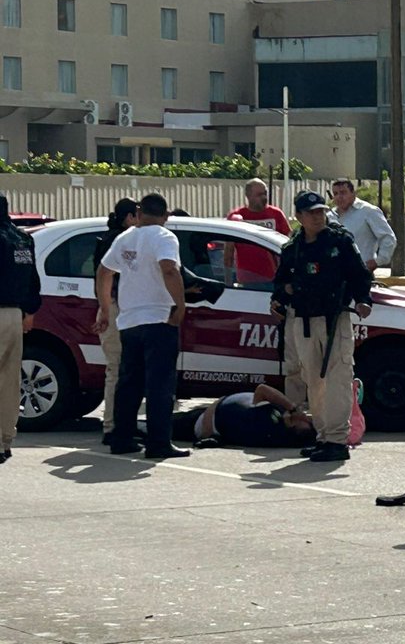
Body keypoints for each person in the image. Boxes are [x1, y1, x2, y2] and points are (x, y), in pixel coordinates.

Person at [271, 190, 373, 463]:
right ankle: (323, 436)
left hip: (334, 319)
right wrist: (282, 294)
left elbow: (359, 275)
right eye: (311, 212)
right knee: (313, 381)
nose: (318, 217)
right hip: (303, 320)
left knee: (338, 379)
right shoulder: (292, 248)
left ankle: (338, 440)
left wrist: (364, 300)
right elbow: (279, 283)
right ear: (299, 217)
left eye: (321, 211)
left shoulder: (340, 242)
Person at [96, 193, 189, 460]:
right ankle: (159, 443)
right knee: (160, 385)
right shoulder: (164, 237)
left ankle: (121, 438)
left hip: (129, 320)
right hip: (159, 318)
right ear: (166, 216)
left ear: (139, 211)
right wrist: (180, 305)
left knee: (129, 383)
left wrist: (104, 308)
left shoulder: (125, 238)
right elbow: (169, 269)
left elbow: (104, 272)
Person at [92, 197, 138, 446]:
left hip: (116, 308)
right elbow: (105, 279)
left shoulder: (117, 239)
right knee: (117, 369)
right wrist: (105, 310)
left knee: (121, 369)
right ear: (129, 218)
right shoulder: (118, 242)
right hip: (115, 308)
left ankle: (120, 424)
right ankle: (112, 426)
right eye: (136, 215)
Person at [0, 194, 41, 465]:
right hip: (15, 314)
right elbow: (32, 281)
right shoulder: (23, 239)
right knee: (9, 381)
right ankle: (5, 440)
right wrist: (28, 311)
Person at [171, 384, 316, 449]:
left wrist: (292, 408)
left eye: (306, 421)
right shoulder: (278, 422)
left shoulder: (268, 423)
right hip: (214, 413)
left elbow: (262, 389)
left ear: (293, 427)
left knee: (164, 425)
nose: (306, 417)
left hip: (204, 421)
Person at [223, 178, 290, 285]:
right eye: (259, 195)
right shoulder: (237, 217)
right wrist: (228, 283)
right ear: (248, 196)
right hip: (246, 280)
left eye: (265, 193)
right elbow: (228, 252)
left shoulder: (276, 214)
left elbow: (288, 244)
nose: (264, 198)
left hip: (273, 279)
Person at [330, 178, 396, 274]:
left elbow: (388, 237)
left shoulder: (368, 211)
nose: (339, 197)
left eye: (343, 193)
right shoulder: (330, 216)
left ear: (353, 193)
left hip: (360, 273)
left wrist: (378, 261)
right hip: (334, 275)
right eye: (335, 194)